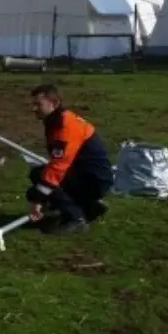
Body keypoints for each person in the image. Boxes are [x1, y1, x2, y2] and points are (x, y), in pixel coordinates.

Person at [26, 84, 113, 234]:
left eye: (38, 104)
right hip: (91, 175)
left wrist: (38, 199)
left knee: (40, 176)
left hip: (94, 180)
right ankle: (89, 206)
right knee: (41, 180)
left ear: (54, 103)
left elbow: (58, 167)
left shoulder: (65, 126)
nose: (34, 108)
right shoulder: (58, 120)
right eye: (33, 104)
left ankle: (76, 219)